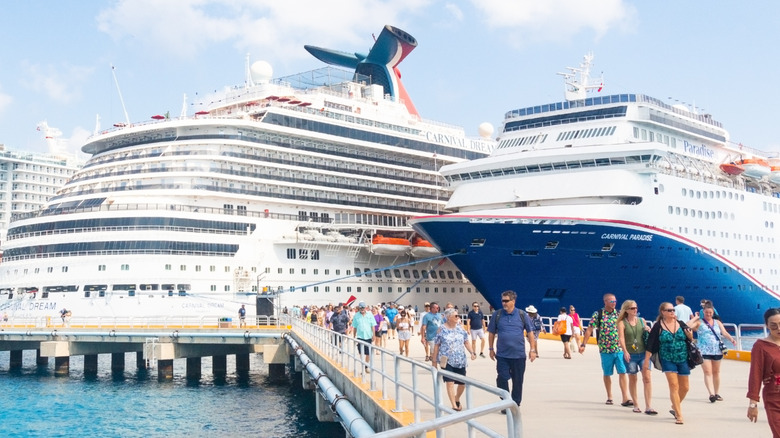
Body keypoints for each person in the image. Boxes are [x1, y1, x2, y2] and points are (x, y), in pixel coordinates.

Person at [644, 302, 693, 425]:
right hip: (667, 358)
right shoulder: (658, 326)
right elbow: (650, 343)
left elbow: (690, 340)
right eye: (669, 310)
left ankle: (674, 405)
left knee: (685, 387)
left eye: (673, 310)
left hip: (682, 357)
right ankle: (679, 414)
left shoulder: (681, 324)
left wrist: (690, 336)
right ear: (663, 312)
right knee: (673, 385)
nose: (672, 312)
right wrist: (646, 361)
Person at [487, 290, 537, 409]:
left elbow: (530, 333)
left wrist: (533, 350)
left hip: (518, 355)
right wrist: (490, 348)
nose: (503, 303)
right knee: (502, 378)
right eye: (502, 301)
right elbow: (491, 333)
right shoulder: (497, 315)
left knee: (518, 381)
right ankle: (505, 401)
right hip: (502, 355)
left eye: (506, 301)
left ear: (513, 301)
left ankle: (515, 404)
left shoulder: (522, 314)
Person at [579, 293, 630, 407]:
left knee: (622, 372)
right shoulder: (598, 314)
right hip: (605, 350)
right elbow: (589, 329)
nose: (614, 303)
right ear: (605, 302)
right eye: (612, 301)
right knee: (607, 373)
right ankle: (610, 396)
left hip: (619, 349)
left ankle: (625, 397)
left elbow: (627, 328)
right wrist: (583, 344)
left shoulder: (619, 314)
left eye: (615, 301)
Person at [432, 307, 477, 411]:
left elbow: (466, 341)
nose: (458, 317)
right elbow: (437, 345)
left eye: (458, 315)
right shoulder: (441, 329)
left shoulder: (461, 328)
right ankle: (453, 405)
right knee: (449, 382)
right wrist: (434, 361)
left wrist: (472, 352)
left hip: (460, 359)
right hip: (446, 360)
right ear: (448, 317)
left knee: (462, 383)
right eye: (456, 316)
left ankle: (457, 398)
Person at [688, 305, 736, 402]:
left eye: (710, 312)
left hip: (717, 350)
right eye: (706, 312)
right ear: (703, 312)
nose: (708, 314)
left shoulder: (717, 322)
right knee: (707, 372)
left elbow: (724, 332)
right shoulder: (699, 323)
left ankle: (717, 393)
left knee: (716, 372)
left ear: (713, 312)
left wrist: (731, 339)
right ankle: (711, 394)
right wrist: (695, 318)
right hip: (704, 351)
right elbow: (687, 326)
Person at [617, 300, 655, 415]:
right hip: (631, 355)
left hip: (643, 353)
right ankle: (636, 404)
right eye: (632, 308)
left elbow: (647, 333)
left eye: (636, 308)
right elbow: (622, 338)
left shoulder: (642, 321)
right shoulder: (622, 323)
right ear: (627, 310)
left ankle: (648, 406)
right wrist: (625, 351)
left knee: (647, 378)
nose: (635, 310)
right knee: (633, 379)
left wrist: (648, 329)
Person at [747, 308, 780, 436]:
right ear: (767, 326)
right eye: (773, 326)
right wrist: (753, 404)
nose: (778, 328)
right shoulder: (761, 346)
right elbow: (755, 374)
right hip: (775, 397)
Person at [350, 301, 376, 372]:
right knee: (361, 352)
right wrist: (354, 336)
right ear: (359, 308)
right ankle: (363, 364)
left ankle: (366, 365)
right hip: (360, 336)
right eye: (361, 307)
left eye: (363, 307)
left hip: (368, 336)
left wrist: (374, 335)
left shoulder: (370, 315)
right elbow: (354, 326)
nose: (362, 309)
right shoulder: (356, 315)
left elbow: (373, 326)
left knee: (368, 353)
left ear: (366, 308)